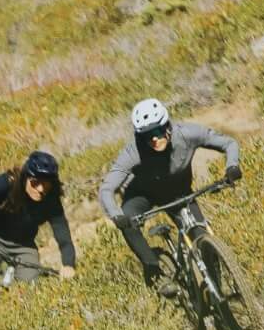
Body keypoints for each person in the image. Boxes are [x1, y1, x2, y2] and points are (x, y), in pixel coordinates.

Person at [98, 98, 241, 294]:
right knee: (128, 219)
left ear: (167, 126)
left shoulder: (188, 134)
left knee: (203, 238)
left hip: (178, 193)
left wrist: (232, 167)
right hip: (142, 195)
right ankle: (155, 272)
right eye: (146, 136)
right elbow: (107, 189)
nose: (154, 139)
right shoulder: (134, 151)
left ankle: (216, 294)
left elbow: (229, 143)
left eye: (157, 132)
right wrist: (116, 215)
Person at [0, 150, 77, 286]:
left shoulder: (51, 199)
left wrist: (68, 264)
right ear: (26, 177)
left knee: (29, 288)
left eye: (46, 184)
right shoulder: (7, 183)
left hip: (23, 245)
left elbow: (62, 233)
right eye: (35, 183)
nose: (41, 189)